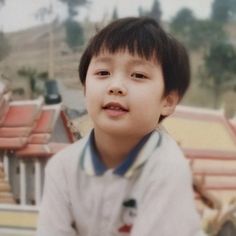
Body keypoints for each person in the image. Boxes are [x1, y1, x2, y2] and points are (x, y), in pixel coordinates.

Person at [37, 17, 206, 236]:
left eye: (138, 75)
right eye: (103, 73)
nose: (115, 86)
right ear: (85, 88)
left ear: (168, 101)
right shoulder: (62, 168)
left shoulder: (168, 169)